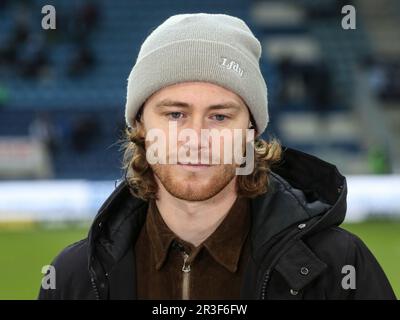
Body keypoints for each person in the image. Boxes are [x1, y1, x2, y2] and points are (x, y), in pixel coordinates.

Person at [38, 13, 396, 300]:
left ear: (251, 131)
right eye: (175, 114)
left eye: (220, 116)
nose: (196, 138)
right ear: (140, 126)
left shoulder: (337, 268)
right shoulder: (74, 279)